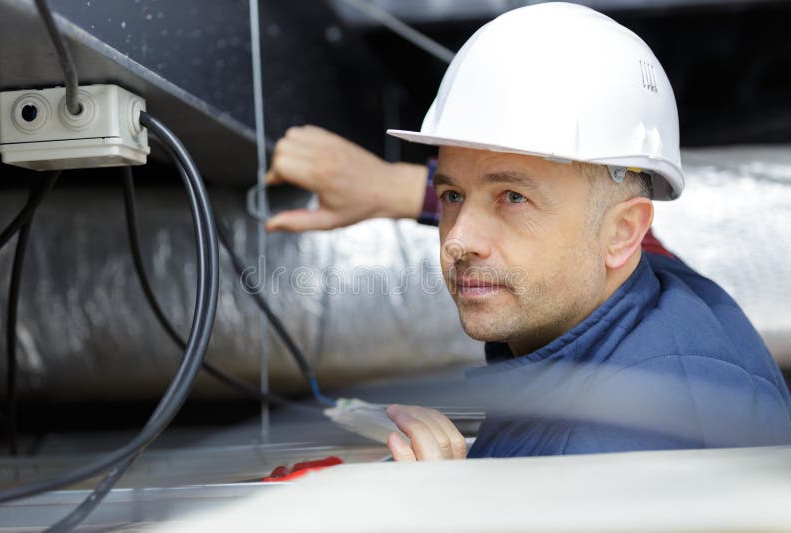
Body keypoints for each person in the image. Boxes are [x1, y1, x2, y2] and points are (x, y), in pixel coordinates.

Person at [266, 3, 791, 461]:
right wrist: (391, 188)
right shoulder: (650, 294)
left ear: (622, 232)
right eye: (453, 196)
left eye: (513, 198)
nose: (458, 239)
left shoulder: (627, 434)